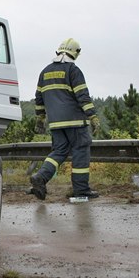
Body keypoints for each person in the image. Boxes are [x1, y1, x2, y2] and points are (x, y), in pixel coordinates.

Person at [29, 38, 100, 200]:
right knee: (81, 152)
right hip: (75, 122)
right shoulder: (73, 71)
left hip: (55, 124)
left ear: (58, 52)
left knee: (59, 151)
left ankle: (41, 177)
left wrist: (40, 118)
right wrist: (93, 117)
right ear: (76, 53)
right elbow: (83, 96)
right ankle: (81, 190)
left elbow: (39, 99)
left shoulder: (44, 72)